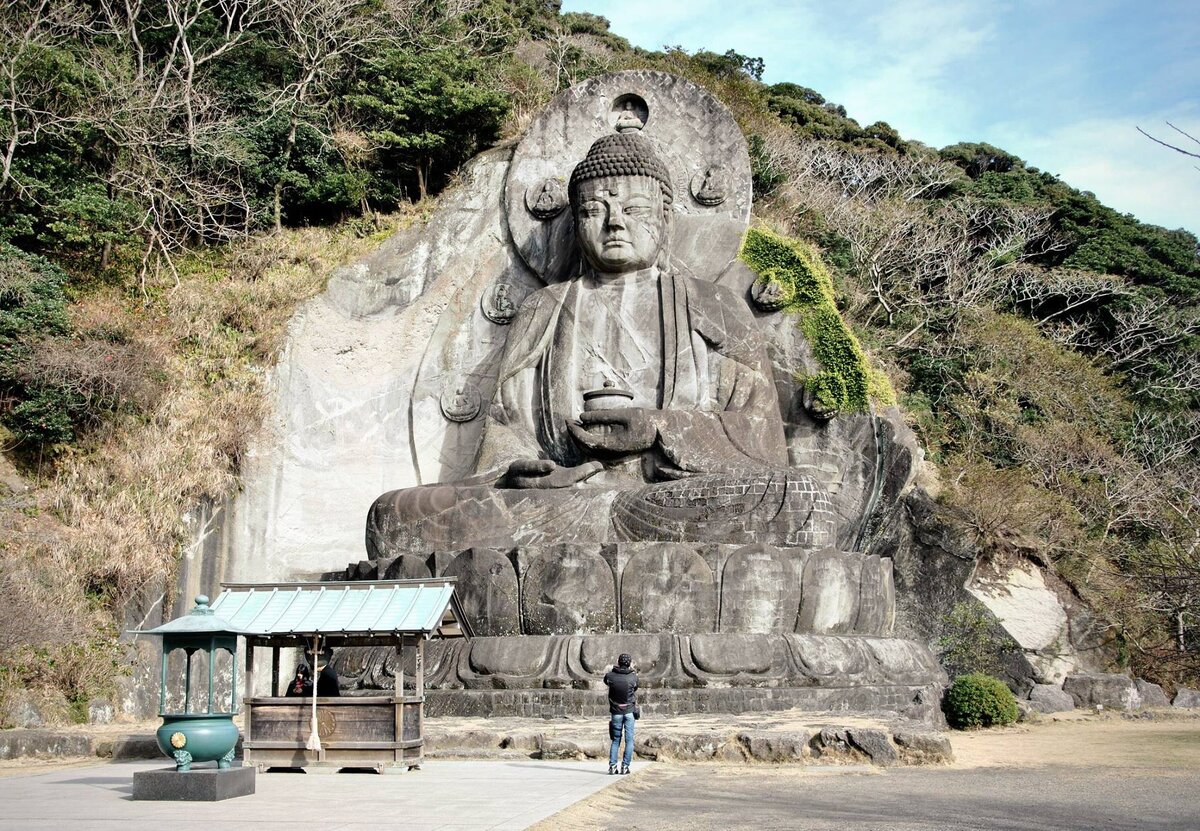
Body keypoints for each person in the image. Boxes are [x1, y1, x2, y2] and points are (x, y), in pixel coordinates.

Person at [366, 131, 835, 557]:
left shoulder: (715, 303)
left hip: (671, 497)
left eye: (633, 210)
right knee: (395, 516)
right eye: (594, 210)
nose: (614, 224)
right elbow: (508, 430)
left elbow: (762, 441)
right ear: (576, 224)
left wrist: (659, 430)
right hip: (560, 501)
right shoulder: (544, 306)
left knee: (800, 500)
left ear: (665, 219)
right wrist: (524, 468)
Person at [604, 653, 638, 775]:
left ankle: (613, 766)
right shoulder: (633, 677)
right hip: (629, 711)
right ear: (629, 663)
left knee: (616, 740)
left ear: (618, 662)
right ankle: (625, 766)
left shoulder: (610, 676)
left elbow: (606, 681)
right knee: (629, 741)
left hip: (616, 711)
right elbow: (635, 688)